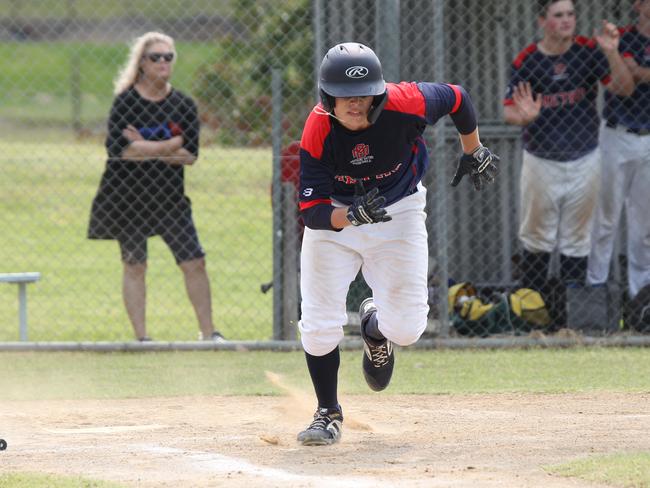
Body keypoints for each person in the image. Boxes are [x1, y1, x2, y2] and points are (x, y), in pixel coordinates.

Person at [295, 42, 499, 445]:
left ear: (379, 91)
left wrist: (472, 148)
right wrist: (351, 217)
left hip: (398, 211)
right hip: (336, 217)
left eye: (365, 93)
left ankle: (374, 328)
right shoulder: (318, 128)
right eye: (345, 96)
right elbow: (312, 212)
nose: (356, 104)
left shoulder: (406, 103)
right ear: (327, 98)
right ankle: (328, 412)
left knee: (407, 329)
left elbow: (458, 97)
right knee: (318, 323)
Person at [87, 32, 225, 342]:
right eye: (156, 57)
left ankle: (209, 334)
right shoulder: (126, 103)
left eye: (168, 57)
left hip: (170, 200)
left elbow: (189, 156)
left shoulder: (183, 104)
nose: (163, 62)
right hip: (129, 199)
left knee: (194, 261)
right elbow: (121, 153)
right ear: (142, 63)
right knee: (135, 265)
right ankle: (142, 339)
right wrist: (169, 146)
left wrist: (144, 145)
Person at [503, 0, 634, 303]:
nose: (566, 20)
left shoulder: (588, 51)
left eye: (571, 14)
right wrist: (524, 116)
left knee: (577, 238)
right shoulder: (528, 60)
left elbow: (624, 88)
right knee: (536, 235)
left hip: (584, 157)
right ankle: (534, 311)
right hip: (541, 158)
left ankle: (569, 316)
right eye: (558, 15)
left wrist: (612, 51)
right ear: (542, 21)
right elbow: (509, 111)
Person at [587, 0, 650, 304]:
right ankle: (596, 293)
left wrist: (639, 70)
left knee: (644, 225)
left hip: (649, 139)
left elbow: (637, 75)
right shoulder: (622, 37)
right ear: (638, 5)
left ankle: (642, 299)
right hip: (617, 134)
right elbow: (623, 82)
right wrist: (622, 61)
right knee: (605, 218)